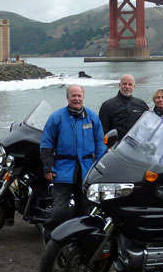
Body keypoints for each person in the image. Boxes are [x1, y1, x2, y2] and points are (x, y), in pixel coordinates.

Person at [40, 84, 106, 236]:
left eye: (79, 96)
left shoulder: (92, 117)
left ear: (83, 96)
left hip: (87, 170)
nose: (76, 99)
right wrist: (48, 168)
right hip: (63, 170)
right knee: (59, 211)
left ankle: (80, 239)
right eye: (73, 96)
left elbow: (100, 145)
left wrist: (99, 169)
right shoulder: (56, 117)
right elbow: (46, 144)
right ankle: (51, 238)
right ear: (67, 97)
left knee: (85, 209)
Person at [98, 74, 149, 140]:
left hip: (136, 146)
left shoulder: (141, 105)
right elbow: (101, 131)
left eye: (130, 84)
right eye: (124, 84)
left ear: (134, 86)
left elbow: (148, 126)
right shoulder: (107, 105)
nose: (127, 87)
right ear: (119, 85)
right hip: (114, 147)